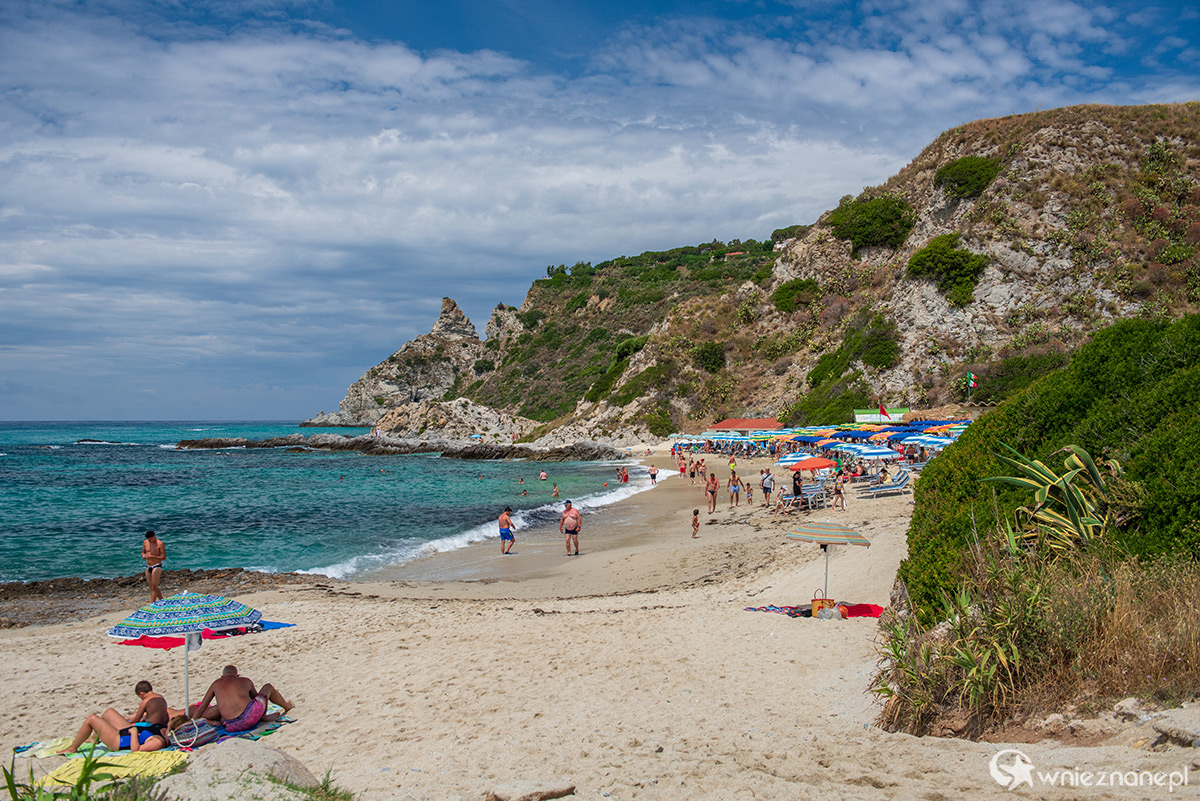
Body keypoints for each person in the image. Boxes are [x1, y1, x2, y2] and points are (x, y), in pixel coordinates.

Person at [58, 681, 173, 755]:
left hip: (119, 741)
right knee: (109, 712)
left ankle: (72, 748)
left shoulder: (158, 742)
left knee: (92, 719)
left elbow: (136, 750)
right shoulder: (163, 730)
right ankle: (94, 738)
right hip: (127, 732)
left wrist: (133, 732)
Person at [191, 665, 293, 733]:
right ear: (237, 675)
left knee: (221, 711)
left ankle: (263, 718)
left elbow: (201, 708)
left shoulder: (215, 684)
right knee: (268, 687)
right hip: (250, 717)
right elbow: (256, 699)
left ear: (222, 676)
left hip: (232, 726)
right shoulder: (245, 680)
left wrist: (192, 722)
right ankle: (287, 706)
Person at [141, 530, 165, 602]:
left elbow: (163, 557)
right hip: (148, 566)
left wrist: (153, 557)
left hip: (156, 566)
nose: (150, 541)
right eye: (149, 540)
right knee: (152, 586)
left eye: (151, 539)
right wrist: (144, 556)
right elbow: (143, 552)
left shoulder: (160, 544)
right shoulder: (145, 542)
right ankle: (162, 600)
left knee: (154, 586)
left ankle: (152, 604)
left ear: (154, 536)